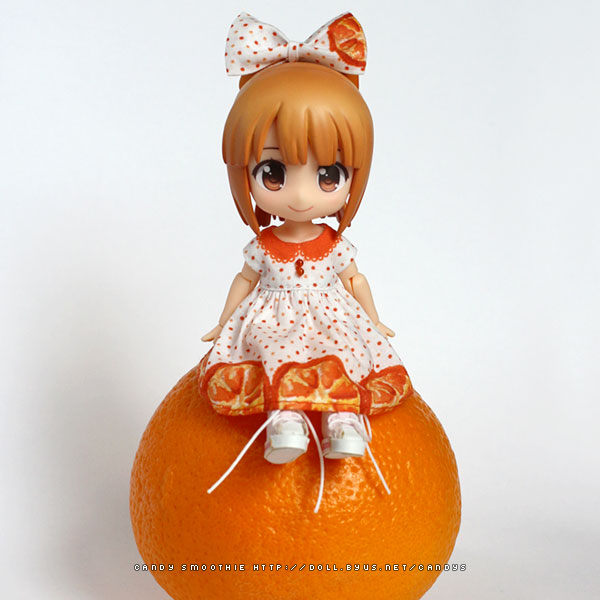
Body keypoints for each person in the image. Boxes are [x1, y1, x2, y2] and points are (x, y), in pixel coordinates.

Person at [199, 12, 414, 512]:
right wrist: (224, 321)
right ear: (245, 172)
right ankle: (285, 421)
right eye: (273, 172)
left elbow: (355, 280)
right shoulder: (264, 245)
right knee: (274, 353)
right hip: (272, 320)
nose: (299, 195)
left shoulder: (335, 244)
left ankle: (345, 422)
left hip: (332, 318)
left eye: (328, 174)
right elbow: (244, 279)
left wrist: (375, 319)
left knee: (348, 356)